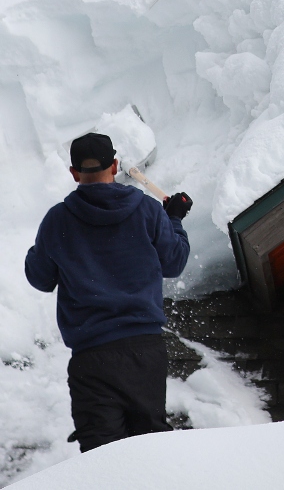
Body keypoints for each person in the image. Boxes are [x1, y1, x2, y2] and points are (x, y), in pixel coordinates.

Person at [25, 132, 192, 453]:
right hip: (145, 352)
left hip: (91, 358)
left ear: (74, 172)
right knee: (149, 449)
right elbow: (174, 262)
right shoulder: (147, 210)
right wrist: (174, 219)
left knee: (101, 456)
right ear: (115, 165)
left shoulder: (58, 220)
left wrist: (47, 244)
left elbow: (40, 278)